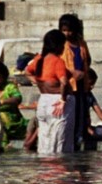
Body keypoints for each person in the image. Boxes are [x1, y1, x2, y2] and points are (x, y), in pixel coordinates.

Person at [27, 29, 74, 155]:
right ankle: (59, 170)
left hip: (43, 100)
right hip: (57, 102)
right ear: (58, 45)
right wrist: (63, 100)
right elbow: (63, 82)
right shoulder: (57, 61)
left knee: (44, 140)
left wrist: (37, 81)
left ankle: (45, 171)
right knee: (59, 142)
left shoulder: (38, 59)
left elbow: (27, 72)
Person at [58, 13, 91, 149]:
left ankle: (80, 137)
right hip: (68, 84)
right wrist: (72, 73)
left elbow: (87, 60)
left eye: (69, 30)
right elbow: (59, 64)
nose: (67, 33)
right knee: (69, 114)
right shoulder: (60, 45)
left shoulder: (81, 44)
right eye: (64, 30)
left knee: (81, 112)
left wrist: (83, 73)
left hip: (82, 85)